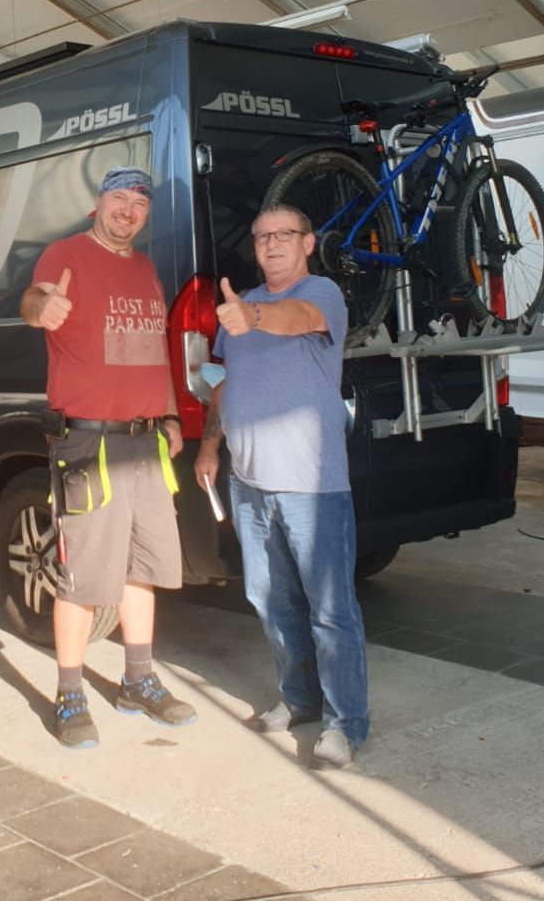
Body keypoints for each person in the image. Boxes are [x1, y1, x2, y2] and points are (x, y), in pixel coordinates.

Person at [21, 166, 196, 749]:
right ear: (97, 204)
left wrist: (171, 413)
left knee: (142, 568)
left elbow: (154, 352)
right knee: (85, 576)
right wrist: (40, 309)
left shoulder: (145, 269)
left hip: (147, 443)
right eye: (118, 197)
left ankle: (137, 680)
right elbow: (37, 298)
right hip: (90, 443)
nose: (128, 208)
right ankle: (69, 692)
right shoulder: (65, 254)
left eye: (139, 201)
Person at [193, 203, 369, 770]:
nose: (270, 245)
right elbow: (224, 385)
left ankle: (346, 724)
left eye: (283, 235)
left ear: (308, 242)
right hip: (248, 484)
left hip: (310, 487)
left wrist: (255, 317)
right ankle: (299, 700)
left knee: (331, 611)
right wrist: (209, 446)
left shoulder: (322, 295)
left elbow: (297, 318)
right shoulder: (239, 308)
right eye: (261, 236)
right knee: (271, 603)